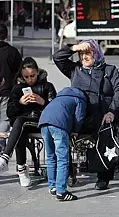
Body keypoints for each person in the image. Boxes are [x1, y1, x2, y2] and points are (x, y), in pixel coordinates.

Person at [53, 39, 119, 190]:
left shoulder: (109, 70)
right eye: (81, 53)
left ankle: (103, 176)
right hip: (81, 116)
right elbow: (57, 58)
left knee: (106, 132)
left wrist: (112, 111)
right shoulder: (75, 70)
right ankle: (69, 173)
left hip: (103, 115)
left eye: (88, 53)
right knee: (64, 132)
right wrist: (73, 48)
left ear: (96, 53)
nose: (84, 57)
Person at [0, 57, 56, 187]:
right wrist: (20, 103)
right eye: (26, 77)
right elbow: (10, 112)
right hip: (23, 124)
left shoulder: (47, 86)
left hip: (41, 121)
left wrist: (43, 102)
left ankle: (6, 158)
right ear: (22, 76)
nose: (30, 79)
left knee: (20, 123)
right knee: (20, 126)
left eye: (33, 75)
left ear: (38, 72)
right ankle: (21, 169)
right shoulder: (17, 88)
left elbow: (56, 110)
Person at [39, 87, 88, 201]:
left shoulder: (59, 98)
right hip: (59, 126)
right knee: (62, 159)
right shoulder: (79, 99)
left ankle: (52, 186)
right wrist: (75, 130)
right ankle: (61, 191)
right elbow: (79, 117)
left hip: (43, 123)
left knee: (51, 156)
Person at [0, 24, 22, 154]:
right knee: (3, 122)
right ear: (6, 35)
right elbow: (19, 73)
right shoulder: (12, 52)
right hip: (7, 93)